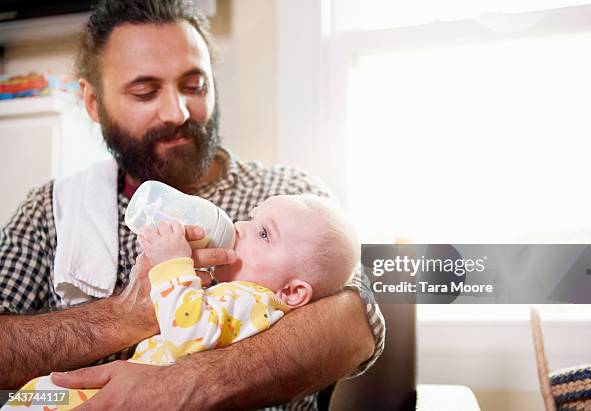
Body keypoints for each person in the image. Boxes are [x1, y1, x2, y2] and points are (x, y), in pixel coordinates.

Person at [0, 0, 385, 409]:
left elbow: (357, 320)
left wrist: (186, 385)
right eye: (146, 92)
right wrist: (123, 316)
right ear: (93, 103)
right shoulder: (53, 212)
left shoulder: (285, 197)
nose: (178, 111)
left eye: (194, 85)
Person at [5, 194, 361, 410]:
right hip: (113, 389)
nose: (239, 227)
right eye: (252, 218)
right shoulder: (239, 297)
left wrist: (172, 264)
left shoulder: (253, 301)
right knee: (34, 395)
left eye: (264, 234)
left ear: (292, 292)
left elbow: (188, 332)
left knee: (38, 397)